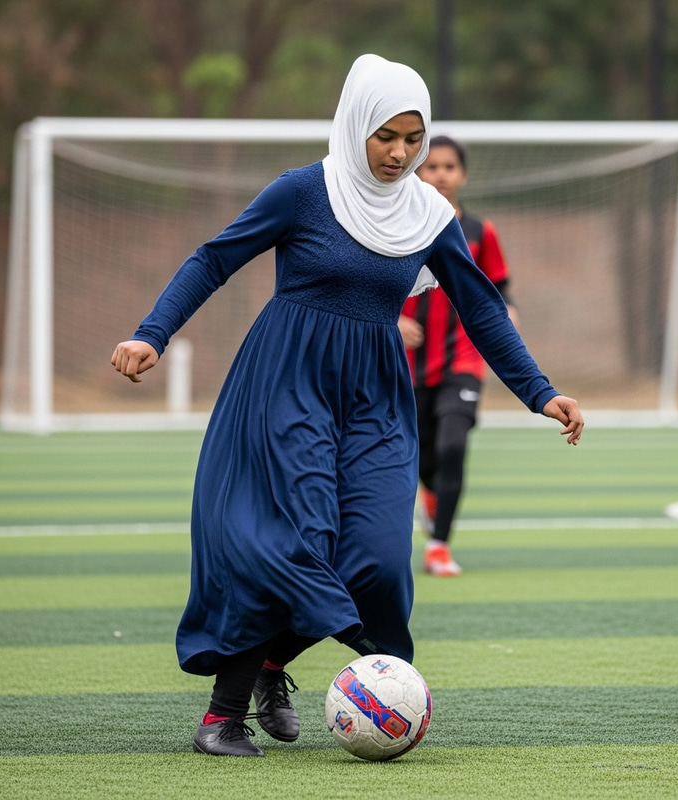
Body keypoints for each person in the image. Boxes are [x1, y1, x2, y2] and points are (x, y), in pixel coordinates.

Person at [111, 53, 584, 758]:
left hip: (375, 395)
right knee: (291, 542)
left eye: (413, 139)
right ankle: (223, 716)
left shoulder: (429, 214)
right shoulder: (302, 192)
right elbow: (214, 258)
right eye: (385, 135)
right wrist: (152, 332)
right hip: (285, 382)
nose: (400, 154)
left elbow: (482, 308)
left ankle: (275, 667)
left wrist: (541, 391)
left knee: (379, 558)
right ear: (356, 124)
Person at [399, 135, 518, 576]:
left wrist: (510, 310)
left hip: (462, 361)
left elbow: (499, 285)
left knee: (452, 446)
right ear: (417, 172)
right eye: (432, 167)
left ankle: (439, 546)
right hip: (405, 365)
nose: (441, 175)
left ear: (463, 175)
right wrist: (392, 321)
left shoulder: (480, 232)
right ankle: (431, 498)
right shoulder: (396, 223)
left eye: (450, 167)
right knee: (422, 457)